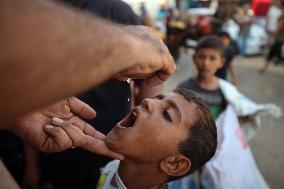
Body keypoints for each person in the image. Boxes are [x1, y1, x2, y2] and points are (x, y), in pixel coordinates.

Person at [22, 1, 163, 188]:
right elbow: (28, 95)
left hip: (109, 145)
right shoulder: (32, 14)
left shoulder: (115, 10)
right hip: (53, 141)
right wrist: (31, 164)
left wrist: (145, 128)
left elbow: (151, 75)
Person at [0, 0, 176, 126]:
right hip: (52, 125)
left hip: (111, 127)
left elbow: (152, 77)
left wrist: (144, 123)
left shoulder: (115, 10)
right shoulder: (29, 12)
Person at [48, 88, 217, 189]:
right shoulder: (112, 167)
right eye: (158, 99)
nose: (147, 100)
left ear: (174, 164)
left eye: (167, 114)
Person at [174, 35, 280, 189]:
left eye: (212, 58)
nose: (205, 63)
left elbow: (234, 115)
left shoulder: (226, 91)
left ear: (222, 62)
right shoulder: (184, 87)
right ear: (194, 58)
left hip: (216, 149)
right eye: (201, 57)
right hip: (189, 147)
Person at [259, 0, 284, 74]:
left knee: (279, 56)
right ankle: (264, 68)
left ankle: (264, 68)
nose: (278, 4)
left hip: (280, 38)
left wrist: (274, 35)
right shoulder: (281, 13)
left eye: (279, 3)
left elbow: (280, 26)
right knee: (271, 53)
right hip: (279, 38)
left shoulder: (282, 15)